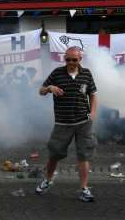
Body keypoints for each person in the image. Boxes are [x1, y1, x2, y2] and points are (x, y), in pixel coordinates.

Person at [35, 46, 98, 202]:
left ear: (80, 59)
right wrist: (50, 88)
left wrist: (92, 114)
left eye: (74, 60)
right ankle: (47, 181)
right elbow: (41, 91)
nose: (70, 62)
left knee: (84, 155)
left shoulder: (87, 74)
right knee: (54, 154)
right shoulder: (57, 73)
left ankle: (84, 189)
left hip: (84, 122)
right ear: (64, 59)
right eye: (68, 59)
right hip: (62, 123)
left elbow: (93, 94)